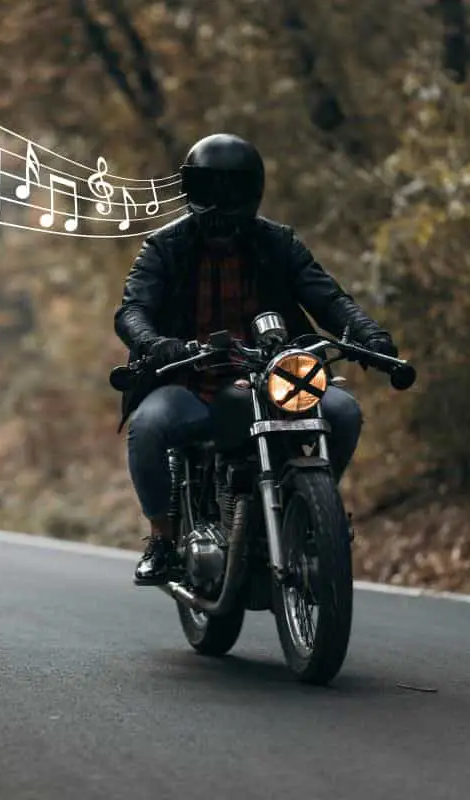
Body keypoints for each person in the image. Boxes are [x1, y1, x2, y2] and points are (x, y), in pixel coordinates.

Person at [113, 133, 399, 585]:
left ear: (252, 191)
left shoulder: (278, 242)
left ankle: (309, 512)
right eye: (211, 188)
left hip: (273, 377)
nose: (221, 202)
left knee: (342, 412)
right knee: (148, 426)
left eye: (233, 188)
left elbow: (328, 297)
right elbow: (132, 310)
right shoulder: (164, 247)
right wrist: (159, 344)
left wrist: (371, 336)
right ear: (192, 190)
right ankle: (163, 540)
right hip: (192, 379)